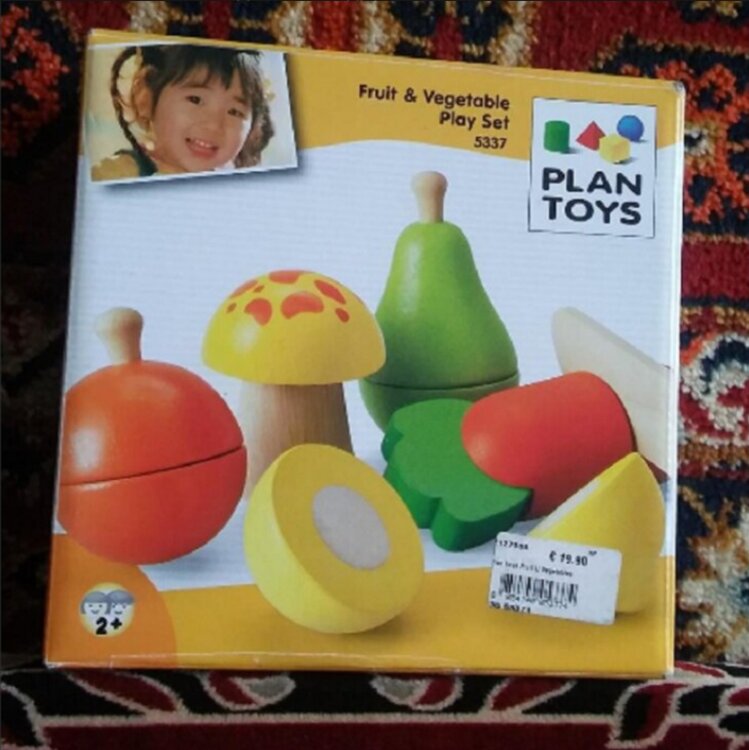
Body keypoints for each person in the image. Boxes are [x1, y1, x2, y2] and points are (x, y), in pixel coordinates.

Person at [92, 44, 274, 180]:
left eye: (234, 111)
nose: (214, 125)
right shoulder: (119, 173)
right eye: (195, 100)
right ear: (145, 98)